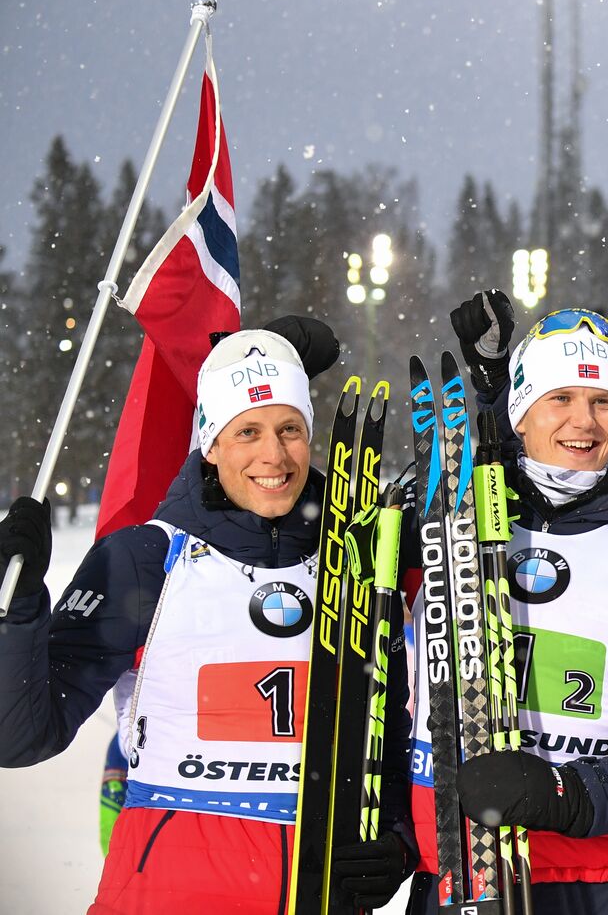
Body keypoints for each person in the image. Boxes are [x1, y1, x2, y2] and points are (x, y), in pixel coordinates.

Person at [0, 321, 418, 914]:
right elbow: (19, 737)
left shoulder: (357, 564)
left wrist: (396, 842)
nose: (274, 455)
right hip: (165, 896)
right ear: (211, 444)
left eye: (290, 429)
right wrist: (16, 611)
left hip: (316, 896)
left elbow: (387, 732)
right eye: (247, 431)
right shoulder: (145, 560)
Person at [404, 299, 608, 915]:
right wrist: (390, 834)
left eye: (602, 401)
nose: (584, 421)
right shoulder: (444, 521)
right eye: (560, 398)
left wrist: (568, 795)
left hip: (604, 878)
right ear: (521, 413)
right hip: (457, 869)